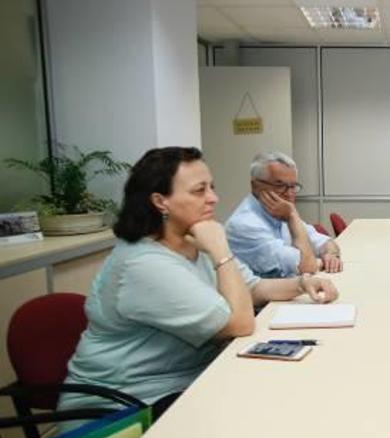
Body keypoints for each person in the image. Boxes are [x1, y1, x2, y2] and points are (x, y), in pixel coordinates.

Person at [59, 147, 338, 422]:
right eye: (199, 191)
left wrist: (304, 283)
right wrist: (221, 252)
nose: (214, 199)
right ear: (160, 201)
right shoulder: (145, 264)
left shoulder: (193, 239)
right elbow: (240, 324)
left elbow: (253, 288)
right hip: (125, 409)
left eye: (212, 188)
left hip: (187, 384)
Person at [226, 151, 342, 277]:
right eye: (279, 185)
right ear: (255, 186)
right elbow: (307, 266)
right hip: (263, 296)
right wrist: (292, 215)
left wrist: (330, 255)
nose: (289, 194)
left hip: (292, 290)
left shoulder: (281, 211)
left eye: (293, 186)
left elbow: (326, 242)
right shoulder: (244, 225)